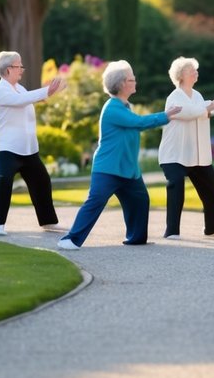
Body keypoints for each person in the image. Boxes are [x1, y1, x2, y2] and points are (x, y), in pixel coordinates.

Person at [58, 61, 182, 249]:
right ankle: (71, 239)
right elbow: (139, 123)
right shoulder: (112, 108)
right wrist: (165, 115)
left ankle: (136, 238)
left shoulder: (125, 106)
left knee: (140, 200)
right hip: (108, 168)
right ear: (123, 84)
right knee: (96, 201)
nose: (135, 82)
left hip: (129, 171)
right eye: (132, 79)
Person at [0, 50, 68, 236]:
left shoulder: (20, 88)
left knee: (42, 181)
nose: (22, 69)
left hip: (28, 150)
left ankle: (48, 222)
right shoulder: (0, 90)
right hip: (6, 149)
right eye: (19, 66)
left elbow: (30, 97)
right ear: (8, 69)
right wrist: (46, 91)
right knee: (5, 182)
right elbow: (21, 101)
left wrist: (51, 92)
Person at [157, 56, 214, 238]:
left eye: (196, 69)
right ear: (181, 75)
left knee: (213, 187)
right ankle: (172, 231)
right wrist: (211, 105)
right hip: (174, 155)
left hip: (196, 155)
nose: (195, 72)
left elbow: (202, 110)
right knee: (176, 186)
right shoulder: (174, 97)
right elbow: (187, 112)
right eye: (191, 69)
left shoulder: (197, 95)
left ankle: (213, 228)